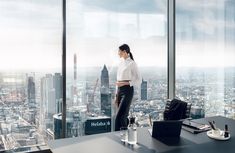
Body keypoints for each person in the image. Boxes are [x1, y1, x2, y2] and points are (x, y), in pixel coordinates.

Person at [115, 44, 141, 131]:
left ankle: (117, 136)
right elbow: (118, 81)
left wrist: (125, 83)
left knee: (119, 117)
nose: (118, 53)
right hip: (119, 91)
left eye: (119, 51)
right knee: (124, 117)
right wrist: (116, 96)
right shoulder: (120, 63)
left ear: (125, 52)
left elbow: (139, 80)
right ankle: (124, 136)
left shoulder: (132, 63)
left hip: (127, 91)